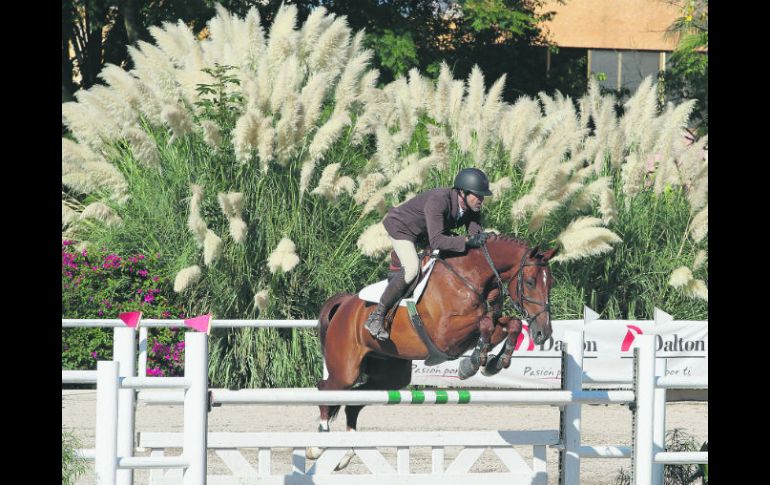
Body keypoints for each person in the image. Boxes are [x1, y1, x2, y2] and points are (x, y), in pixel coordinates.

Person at [364, 167, 493, 340]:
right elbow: (438, 241)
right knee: (411, 269)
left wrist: (486, 240)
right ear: (462, 192)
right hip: (403, 229)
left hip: (425, 234)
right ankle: (376, 317)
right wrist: (466, 240)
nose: (481, 200)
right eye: (478, 195)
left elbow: (474, 235)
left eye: (482, 196)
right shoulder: (438, 200)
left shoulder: (472, 208)